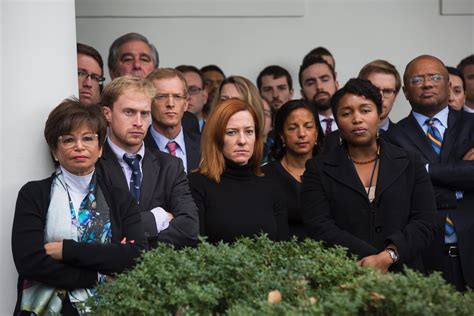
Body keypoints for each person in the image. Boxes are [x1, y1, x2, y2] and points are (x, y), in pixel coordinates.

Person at [11, 99, 147, 315]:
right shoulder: (33, 194)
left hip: (110, 308)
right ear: (55, 151)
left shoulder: (120, 199)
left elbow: (135, 255)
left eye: (88, 138)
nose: (79, 146)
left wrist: (66, 250)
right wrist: (97, 275)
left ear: (100, 148)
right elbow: (29, 262)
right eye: (68, 140)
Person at [302, 78, 437, 273]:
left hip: (405, 277)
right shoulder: (318, 169)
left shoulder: (410, 162)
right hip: (343, 274)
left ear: (379, 113)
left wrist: (389, 256)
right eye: (346, 113)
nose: (357, 119)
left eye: (365, 110)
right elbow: (319, 227)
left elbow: (425, 222)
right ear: (337, 120)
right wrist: (372, 259)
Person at [384, 55, 474, 290]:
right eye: (417, 79)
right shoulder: (391, 138)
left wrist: (423, 170)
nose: (427, 84)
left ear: (448, 84)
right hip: (424, 254)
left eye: (435, 77)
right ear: (405, 91)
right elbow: (402, 193)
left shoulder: (472, 125)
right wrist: (459, 183)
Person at [98, 75, 199, 249]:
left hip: (158, 271)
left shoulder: (170, 166)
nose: (138, 122)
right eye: (129, 112)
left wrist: (134, 243)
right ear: (107, 114)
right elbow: (98, 229)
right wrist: (157, 218)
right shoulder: (92, 163)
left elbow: (189, 229)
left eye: (144, 114)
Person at [187, 98, 289, 243]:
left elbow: (283, 248)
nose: (242, 140)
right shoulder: (196, 184)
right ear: (216, 137)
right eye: (231, 132)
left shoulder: (272, 185)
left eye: (248, 131)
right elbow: (195, 249)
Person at [108, 32, 199, 135]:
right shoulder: (101, 117)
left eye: (144, 59)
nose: (137, 65)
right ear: (112, 71)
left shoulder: (188, 121)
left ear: (155, 69)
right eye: (128, 59)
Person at [263, 100, 322, 239]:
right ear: (282, 136)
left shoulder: (331, 172)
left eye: (308, 126)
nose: (301, 133)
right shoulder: (266, 176)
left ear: (317, 134)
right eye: (292, 128)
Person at [144, 68, 201, 173]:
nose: (170, 104)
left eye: (177, 97)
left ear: (186, 103)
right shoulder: (138, 148)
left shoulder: (205, 147)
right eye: (161, 97)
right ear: (148, 102)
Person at [299, 55, 339, 135]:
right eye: (310, 83)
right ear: (302, 93)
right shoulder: (300, 129)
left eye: (324, 80)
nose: (319, 87)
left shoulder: (352, 120)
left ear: (336, 84)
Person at [358, 59, 401, 132]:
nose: (380, 98)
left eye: (387, 91)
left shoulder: (405, 139)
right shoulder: (336, 139)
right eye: (374, 89)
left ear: (395, 96)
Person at [176, 65, 209, 132]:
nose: (187, 97)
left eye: (193, 90)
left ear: (205, 96)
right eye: (180, 91)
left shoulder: (217, 134)